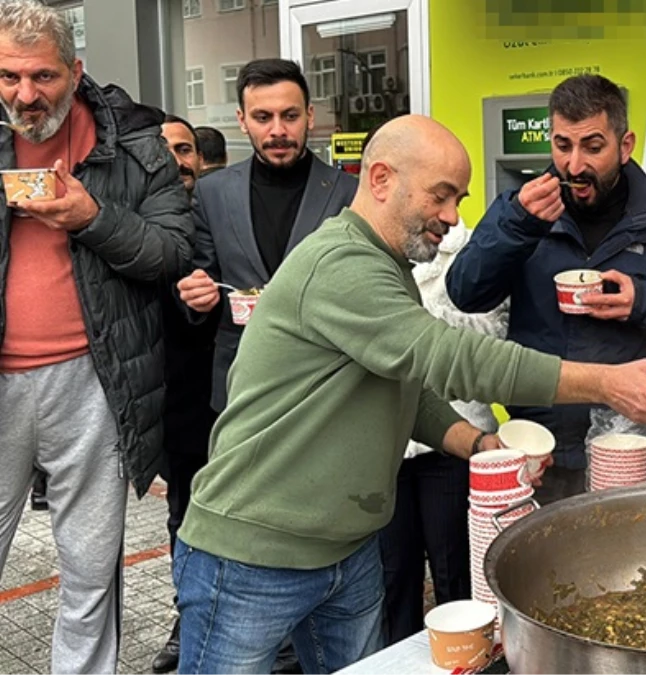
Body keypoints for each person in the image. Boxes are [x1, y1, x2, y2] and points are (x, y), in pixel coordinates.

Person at [173, 114, 646, 673]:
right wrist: (606, 383)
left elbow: (406, 385)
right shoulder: (340, 264)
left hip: (347, 552)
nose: (452, 217)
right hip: (253, 556)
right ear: (380, 180)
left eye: (460, 198)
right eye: (441, 196)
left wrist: (478, 443)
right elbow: (446, 358)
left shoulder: (387, 265)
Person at [0, 2, 192, 673]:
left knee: (90, 568)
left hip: (96, 376)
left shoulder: (136, 143)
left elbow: (173, 250)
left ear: (76, 71)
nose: (27, 95)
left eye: (43, 77)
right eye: (9, 77)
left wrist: (92, 216)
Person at [446, 74, 646, 502]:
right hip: (537, 442)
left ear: (625, 146)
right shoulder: (521, 210)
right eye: (562, 145)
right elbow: (465, 292)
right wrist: (517, 225)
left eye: (592, 146)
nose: (573, 165)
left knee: (620, 559)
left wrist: (642, 302)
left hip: (625, 443)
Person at [177, 58, 357, 413]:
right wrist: (196, 294)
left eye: (290, 116)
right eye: (263, 117)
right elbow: (203, 276)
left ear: (310, 116)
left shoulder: (349, 193)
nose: (278, 130)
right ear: (242, 120)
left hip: (325, 386)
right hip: (240, 385)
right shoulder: (212, 192)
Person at [380, 219, 506, 644]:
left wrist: (425, 325)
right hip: (389, 440)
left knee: (456, 572)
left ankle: (466, 659)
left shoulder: (472, 253)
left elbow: (496, 336)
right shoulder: (377, 253)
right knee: (394, 575)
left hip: (457, 438)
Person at [153, 113, 220, 674]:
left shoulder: (216, 215)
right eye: (166, 150)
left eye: (186, 148)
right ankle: (189, 622)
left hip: (228, 392)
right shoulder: (140, 225)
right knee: (187, 518)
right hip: (177, 402)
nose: (178, 159)